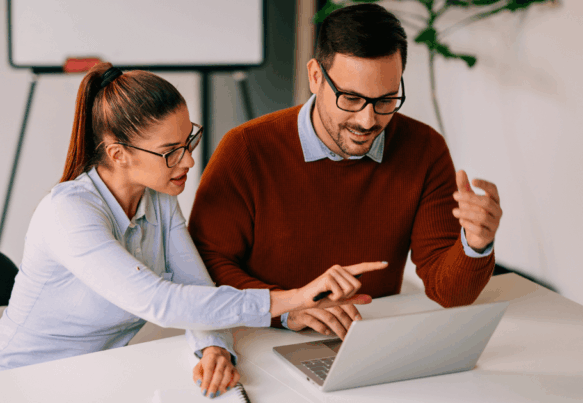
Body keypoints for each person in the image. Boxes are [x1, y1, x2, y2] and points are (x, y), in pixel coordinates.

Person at [0, 62, 388, 399]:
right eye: (171, 152)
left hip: (90, 379)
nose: (188, 162)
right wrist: (290, 299)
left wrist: (214, 348)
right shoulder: (68, 214)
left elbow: (195, 287)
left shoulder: (158, 198)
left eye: (189, 141)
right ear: (118, 154)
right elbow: (160, 302)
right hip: (11, 386)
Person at [188, 4, 503, 340]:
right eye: (351, 99)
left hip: (366, 337)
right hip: (262, 334)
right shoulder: (246, 149)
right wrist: (287, 308)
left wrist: (476, 244)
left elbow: (450, 293)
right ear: (315, 77)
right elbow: (205, 267)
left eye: (386, 100)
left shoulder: (424, 148)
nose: (368, 121)